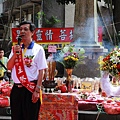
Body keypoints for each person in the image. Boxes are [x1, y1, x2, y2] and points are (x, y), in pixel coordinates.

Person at [7, 21, 48, 120]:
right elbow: (9, 67)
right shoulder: (15, 49)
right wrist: (16, 54)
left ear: (32, 32)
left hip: (30, 89)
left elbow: (42, 70)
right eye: (20, 29)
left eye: (26, 29)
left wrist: (37, 90)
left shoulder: (38, 49)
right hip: (17, 89)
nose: (22, 32)